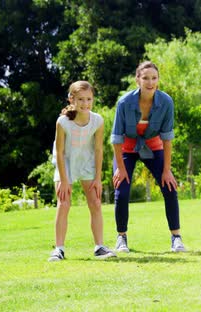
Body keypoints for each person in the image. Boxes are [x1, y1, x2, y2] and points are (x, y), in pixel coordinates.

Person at [111, 61, 186, 253]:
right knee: (122, 190)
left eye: (154, 78)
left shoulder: (166, 102)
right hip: (127, 148)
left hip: (153, 146)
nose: (150, 82)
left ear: (158, 80)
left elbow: (167, 139)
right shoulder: (124, 102)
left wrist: (167, 170)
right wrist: (120, 168)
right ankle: (122, 238)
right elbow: (117, 138)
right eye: (145, 78)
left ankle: (176, 237)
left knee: (169, 187)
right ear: (137, 80)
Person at [48, 81, 117, 262]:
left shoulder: (98, 120)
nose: (85, 103)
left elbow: (99, 150)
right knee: (64, 203)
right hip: (66, 163)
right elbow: (61, 152)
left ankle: (100, 247)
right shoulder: (62, 122)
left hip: (87, 163)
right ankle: (59, 249)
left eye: (89, 99)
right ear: (72, 99)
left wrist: (97, 178)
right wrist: (63, 180)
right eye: (80, 99)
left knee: (95, 202)